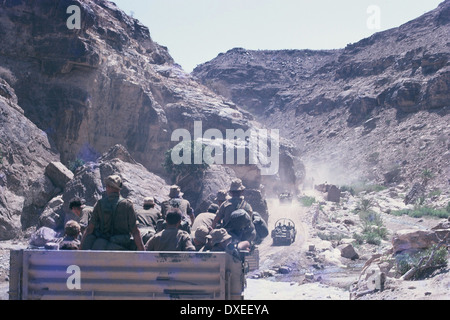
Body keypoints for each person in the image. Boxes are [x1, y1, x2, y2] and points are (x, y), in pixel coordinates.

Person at [81, 175, 145, 251]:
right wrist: (143, 251)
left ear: (108, 187)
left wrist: (80, 249)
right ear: (119, 188)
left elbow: (90, 229)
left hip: (102, 247)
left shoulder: (100, 203)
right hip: (122, 246)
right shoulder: (127, 204)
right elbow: (135, 231)